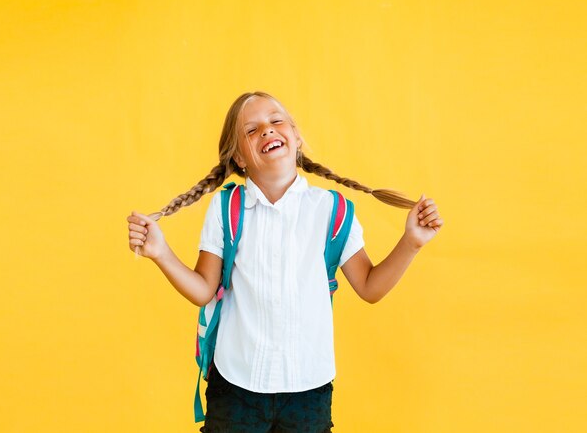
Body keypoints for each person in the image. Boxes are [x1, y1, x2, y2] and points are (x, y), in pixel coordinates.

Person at [125, 91, 444, 432]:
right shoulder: (225, 209)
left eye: (276, 121)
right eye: (252, 130)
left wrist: (411, 241)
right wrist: (161, 253)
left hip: (309, 392)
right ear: (240, 159)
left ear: (296, 137)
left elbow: (369, 286)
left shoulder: (331, 210)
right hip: (235, 389)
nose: (267, 130)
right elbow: (204, 289)